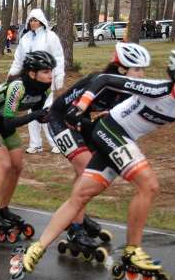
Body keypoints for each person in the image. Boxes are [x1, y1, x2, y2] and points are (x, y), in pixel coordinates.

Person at [14, 48, 175, 280]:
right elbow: (103, 79)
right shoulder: (157, 89)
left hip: (119, 138)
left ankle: (35, 248)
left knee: (81, 195)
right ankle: (132, 250)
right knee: (148, 185)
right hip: (110, 131)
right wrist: (81, 105)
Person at [43, 42, 152, 253]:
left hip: (81, 120)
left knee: (88, 173)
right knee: (85, 169)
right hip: (60, 118)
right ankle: (76, 229)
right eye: (137, 69)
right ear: (121, 69)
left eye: (143, 69)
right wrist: (93, 125)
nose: (142, 73)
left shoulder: (129, 89)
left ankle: (77, 215)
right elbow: (68, 114)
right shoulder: (98, 82)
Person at [0, 51, 55, 243]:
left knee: (17, 166)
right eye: (45, 71)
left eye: (51, 70)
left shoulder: (45, 89)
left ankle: (3, 207)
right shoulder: (18, 86)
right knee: (4, 165)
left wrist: (48, 115)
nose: (50, 74)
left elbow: (37, 113)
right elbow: (11, 123)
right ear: (32, 73)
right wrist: (38, 114)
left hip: (5, 122)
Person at [11, 8, 65, 155]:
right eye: (31, 20)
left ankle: (55, 143)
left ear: (41, 21)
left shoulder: (50, 37)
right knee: (32, 112)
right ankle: (35, 144)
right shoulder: (25, 38)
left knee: (46, 111)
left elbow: (58, 57)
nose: (33, 23)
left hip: (46, 81)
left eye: (35, 20)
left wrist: (58, 76)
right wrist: (12, 75)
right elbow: (19, 59)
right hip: (30, 82)